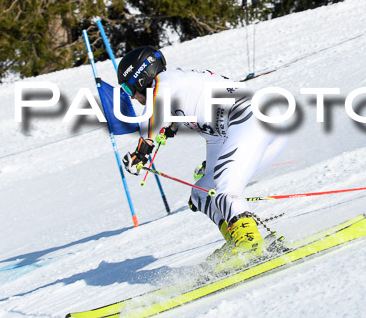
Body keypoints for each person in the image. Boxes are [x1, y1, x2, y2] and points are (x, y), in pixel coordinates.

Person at [116, 46, 287, 269]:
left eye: (130, 88)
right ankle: (239, 238)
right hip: (247, 130)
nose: (133, 96)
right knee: (202, 193)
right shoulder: (180, 91)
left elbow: (152, 112)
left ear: (142, 77)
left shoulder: (164, 80)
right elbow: (206, 129)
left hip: (251, 119)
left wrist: (142, 150)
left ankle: (250, 243)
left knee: (225, 189)